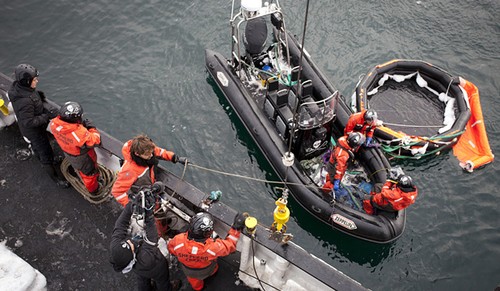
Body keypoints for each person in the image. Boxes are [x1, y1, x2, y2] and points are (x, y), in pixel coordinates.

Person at [111, 134, 187, 237]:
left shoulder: (146, 148)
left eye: (151, 153)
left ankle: (163, 227)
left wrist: (174, 157)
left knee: (158, 210)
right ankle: (161, 233)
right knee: (154, 217)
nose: (151, 155)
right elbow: (117, 191)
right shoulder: (130, 170)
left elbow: (159, 151)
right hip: (144, 197)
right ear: (138, 154)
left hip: (152, 188)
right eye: (148, 155)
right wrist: (133, 206)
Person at [8, 63, 69, 188]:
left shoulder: (19, 89)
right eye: (34, 79)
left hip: (33, 130)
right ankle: (56, 179)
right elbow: (28, 121)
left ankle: (49, 158)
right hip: (34, 132)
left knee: (43, 148)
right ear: (26, 81)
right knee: (44, 153)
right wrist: (46, 117)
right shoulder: (25, 101)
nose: (37, 80)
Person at [109, 193, 179, 291]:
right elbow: (152, 237)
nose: (129, 241)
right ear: (132, 256)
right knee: (162, 280)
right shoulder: (146, 258)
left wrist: (131, 205)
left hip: (139, 270)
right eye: (131, 246)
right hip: (156, 267)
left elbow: (120, 225)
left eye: (126, 243)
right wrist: (149, 214)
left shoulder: (115, 246)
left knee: (142, 280)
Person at [167, 212, 245, 291]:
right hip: (207, 270)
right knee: (214, 269)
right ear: (208, 233)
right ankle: (213, 273)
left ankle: (199, 289)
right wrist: (236, 228)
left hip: (189, 272)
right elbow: (230, 246)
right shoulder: (212, 249)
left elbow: (171, 249)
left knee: (195, 284)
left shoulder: (178, 240)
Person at [50, 101, 101, 193]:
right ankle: (93, 190)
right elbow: (95, 141)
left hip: (68, 153)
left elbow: (68, 132)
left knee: (81, 169)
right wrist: (91, 128)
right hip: (82, 158)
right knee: (89, 174)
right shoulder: (78, 133)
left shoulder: (54, 124)